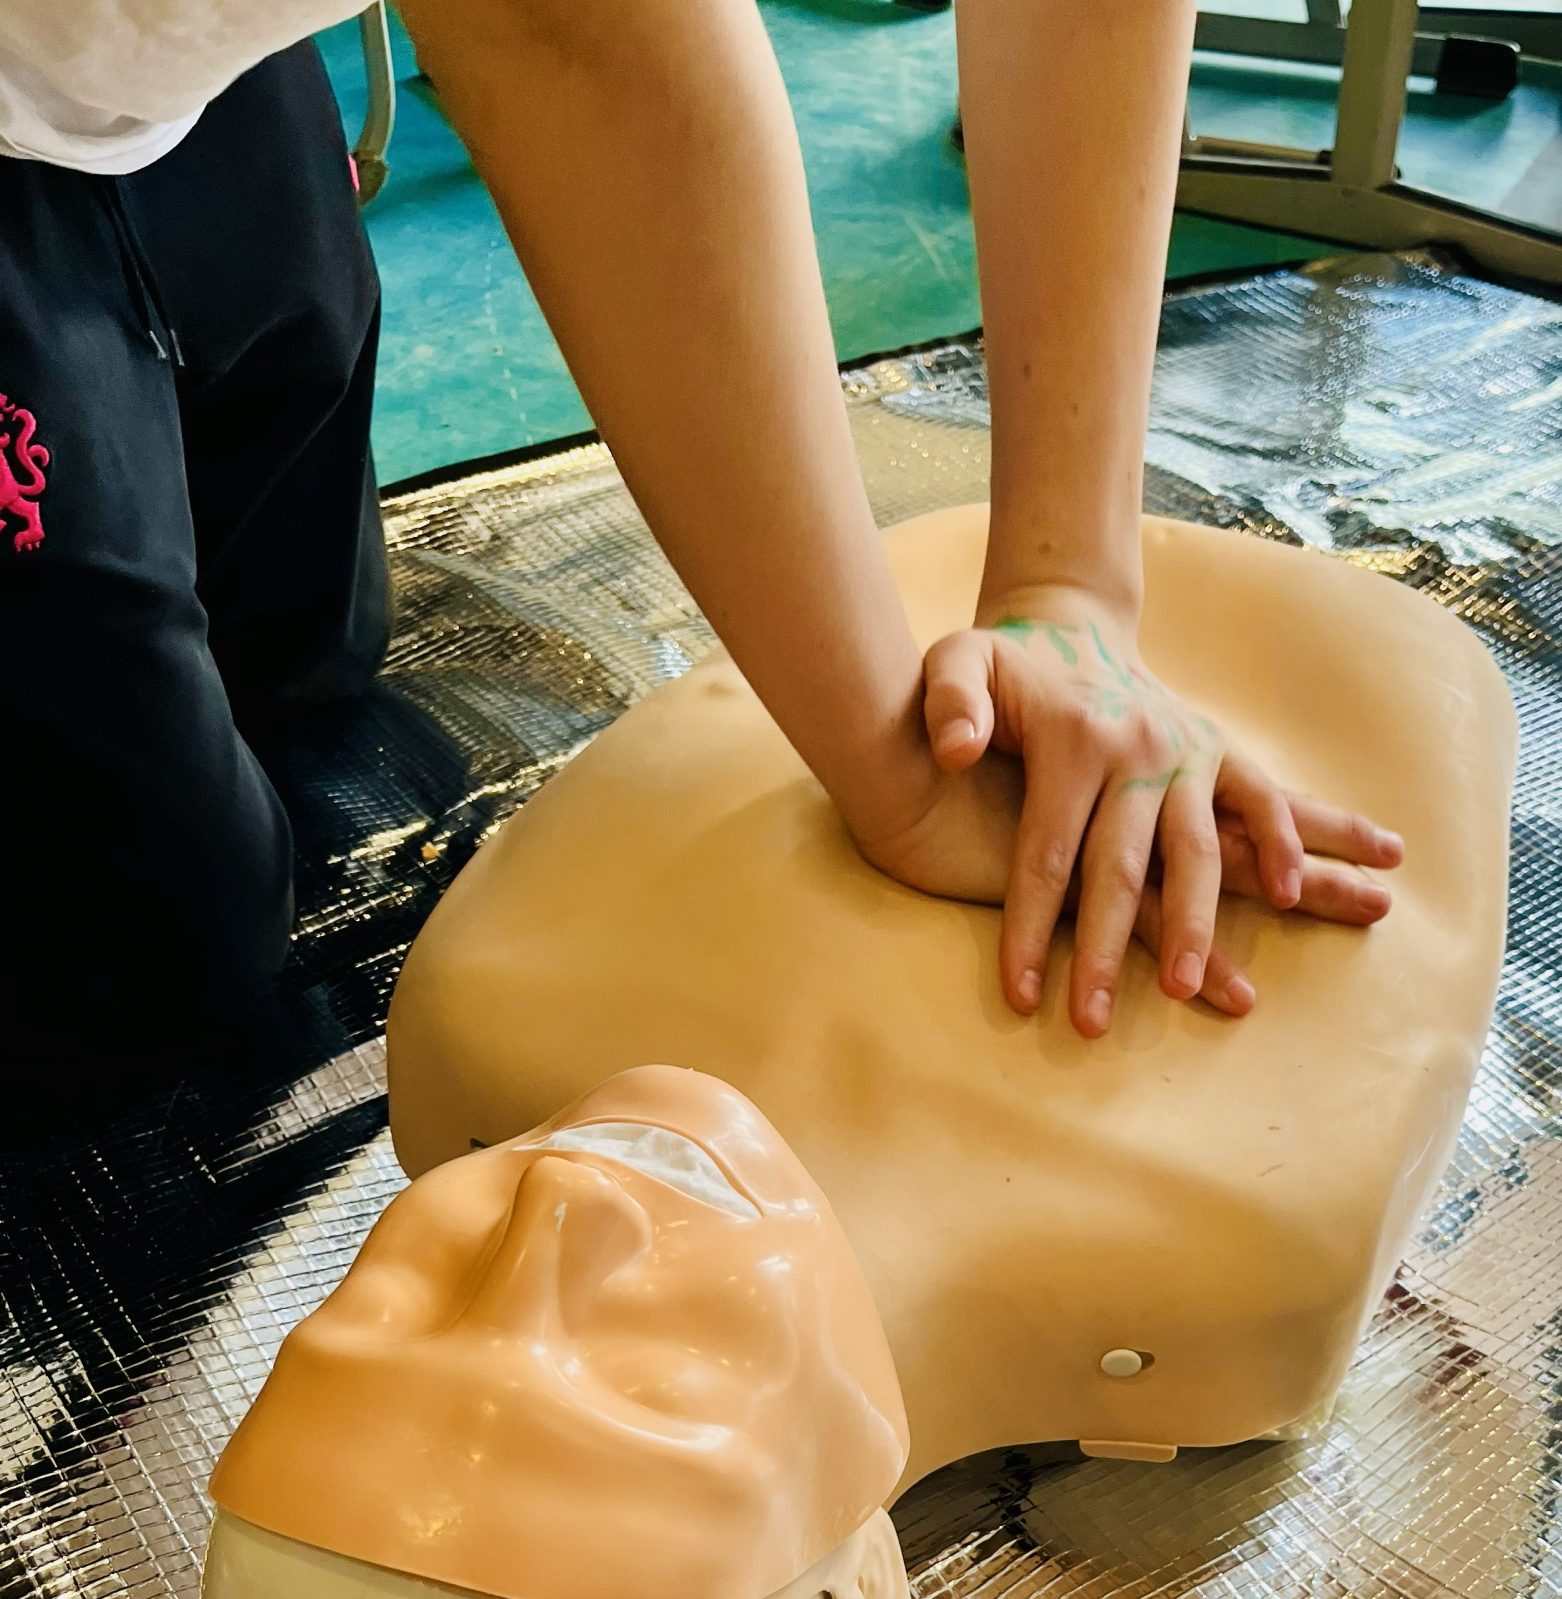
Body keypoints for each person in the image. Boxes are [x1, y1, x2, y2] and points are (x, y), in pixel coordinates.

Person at [0, 0, 1400, 1096]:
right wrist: (898, 778)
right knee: (143, 952)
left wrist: (1067, 586)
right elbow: (578, 37)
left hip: (205, 66)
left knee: (303, 648)